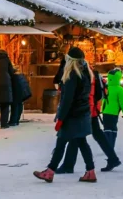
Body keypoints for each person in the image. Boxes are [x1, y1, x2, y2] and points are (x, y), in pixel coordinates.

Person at [34, 47, 97, 183]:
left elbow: (67, 99)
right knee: (82, 142)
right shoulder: (86, 73)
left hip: (72, 116)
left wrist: (61, 118)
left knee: (61, 143)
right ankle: (90, 171)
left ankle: (50, 172)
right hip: (82, 112)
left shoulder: (71, 76)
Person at [57, 64, 120, 174]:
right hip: (92, 109)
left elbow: (86, 95)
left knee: (77, 136)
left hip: (86, 110)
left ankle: (69, 165)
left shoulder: (84, 75)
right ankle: (113, 158)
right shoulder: (94, 74)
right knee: (96, 134)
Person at [100, 67, 123, 169]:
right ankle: (110, 152)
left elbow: (102, 99)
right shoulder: (120, 89)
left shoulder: (106, 87)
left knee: (107, 130)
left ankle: (109, 150)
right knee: (112, 131)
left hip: (105, 112)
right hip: (113, 113)